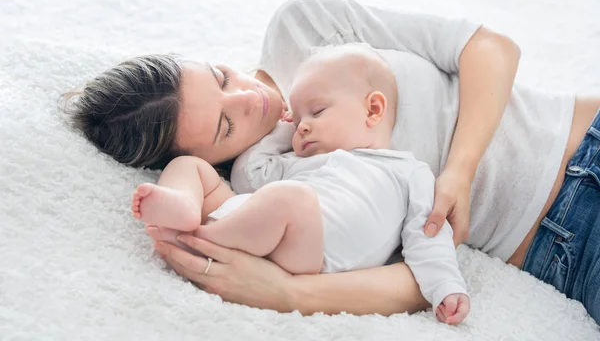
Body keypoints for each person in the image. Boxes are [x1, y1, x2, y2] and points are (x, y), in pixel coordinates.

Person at [62, 0, 600, 324]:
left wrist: (458, 170)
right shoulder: (265, 193)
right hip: (563, 254)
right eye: (227, 126)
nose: (251, 99)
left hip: (583, 132)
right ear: (206, 160)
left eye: (221, 77)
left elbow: (491, 48)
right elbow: (421, 275)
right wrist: (291, 294)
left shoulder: (304, 29)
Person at [129, 44, 469, 324]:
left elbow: (430, 237)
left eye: (316, 112)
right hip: (257, 224)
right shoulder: (299, 163)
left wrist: (447, 287)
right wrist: (283, 129)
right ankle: (183, 204)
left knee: (292, 199)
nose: (301, 126)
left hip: (311, 253)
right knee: (190, 165)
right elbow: (249, 175)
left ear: (373, 109)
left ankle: (198, 242)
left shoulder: (412, 173)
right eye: (297, 116)